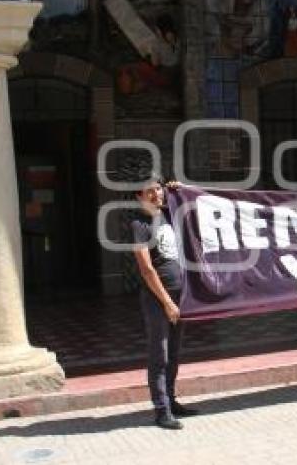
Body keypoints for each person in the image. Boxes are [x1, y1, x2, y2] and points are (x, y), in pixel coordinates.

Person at [130, 176, 198, 429]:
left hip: (181, 296)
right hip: (158, 299)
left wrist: (181, 190)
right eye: (149, 191)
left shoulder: (171, 214)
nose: (156, 194)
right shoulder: (139, 224)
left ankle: (171, 400)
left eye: (158, 189)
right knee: (160, 354)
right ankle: (161, 411)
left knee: (175, 353)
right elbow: (147, 270)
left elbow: (195, 211)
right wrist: (168, 302)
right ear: (139, 197)